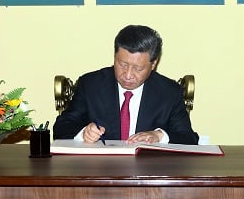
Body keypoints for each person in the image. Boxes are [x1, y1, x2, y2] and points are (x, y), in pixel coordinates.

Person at [53, 24, 199, 145]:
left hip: (147, 174)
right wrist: (83, 133)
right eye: (122, 64)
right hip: (99, 172)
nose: (128, 75)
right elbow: (61, 127)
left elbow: (189, 138)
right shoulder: (91, 85)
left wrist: (159, 136)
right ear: (115, 56)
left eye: (138, 68)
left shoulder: (169, 92)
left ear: (153, 63)